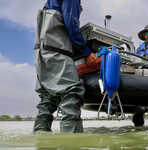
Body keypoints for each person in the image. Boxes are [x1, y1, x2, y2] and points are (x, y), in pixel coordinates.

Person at [33, 0, 97, 133]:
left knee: (48, 97)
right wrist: (86, 52)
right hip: (57, 49)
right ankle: (71, 141)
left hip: (42, 53)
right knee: (72, 90)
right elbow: (71, 23)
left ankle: (40, 139)